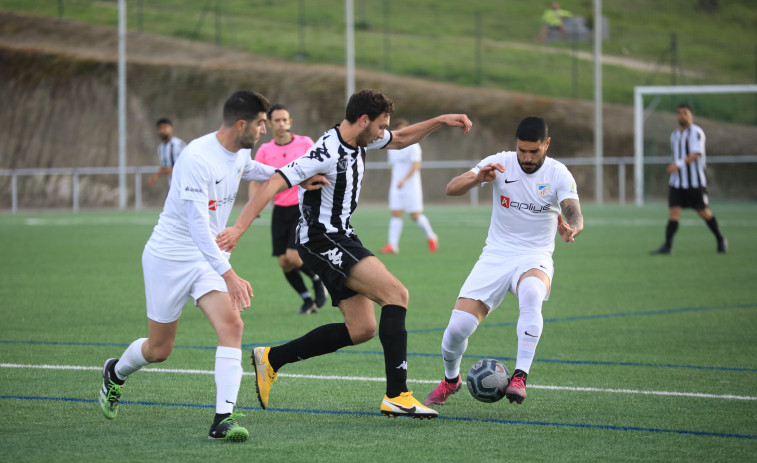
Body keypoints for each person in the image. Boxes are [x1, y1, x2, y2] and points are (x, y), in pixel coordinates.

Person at [216, 88, 472, 419]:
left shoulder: (360, 139)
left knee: (362, 328)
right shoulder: (326, 151)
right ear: (363, 120)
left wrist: (440, 120)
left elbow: (401, 139)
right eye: (380, 126)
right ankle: (398, 394)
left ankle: (271, 359)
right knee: (396, 294)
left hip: (341, 236)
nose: (383, 133)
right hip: (321, 239)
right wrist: (238, 228)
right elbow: (275, 182)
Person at [96, 90, 326, 442]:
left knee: (232, 324)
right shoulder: (196, 158)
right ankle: (115, 372)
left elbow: (255, 169)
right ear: (240, 124)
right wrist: (228, 274)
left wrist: (297, 177)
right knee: (159, 350)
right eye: (261, 124)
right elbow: (197, 227)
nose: (264, 130)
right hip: (169, 259)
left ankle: (223, 419)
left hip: (207, 261)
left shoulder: (238, 151)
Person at [423, 116, 583, 407]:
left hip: (534, 256)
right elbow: (451, 188)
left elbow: (573, 210)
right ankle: (451, 379)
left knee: (532, 294)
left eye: (534, 151)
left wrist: (573, 225)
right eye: (522, 150)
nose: (527, 158)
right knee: (457, 328)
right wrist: (476, 177)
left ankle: (520, 376)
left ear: (547, 145)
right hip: (496, 255)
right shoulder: (500, 162)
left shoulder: (558, 173)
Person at [248, 103, 328, 314]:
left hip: (302, 208)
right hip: (280, 210)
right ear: (270, 124)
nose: (282, 124)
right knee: (284, 262)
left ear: (290, 122)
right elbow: (255, 180)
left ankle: (318, 280)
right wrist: (253, 205)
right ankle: (306, 300)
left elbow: (320, 167)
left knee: (293, 257)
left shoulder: (305, 143)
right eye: (277, 120)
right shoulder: (265, 150)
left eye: (285, 120)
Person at [651, 103, 727, 255]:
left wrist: (677, 164)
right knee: (674, 212)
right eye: (679, 113)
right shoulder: (675, 135)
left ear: (691, 115)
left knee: (703, 212)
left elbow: (696, 153)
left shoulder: (696, 132)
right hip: (677, 182)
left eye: (685, 113)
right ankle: (668, 246)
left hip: (694, 182)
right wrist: (676, 167)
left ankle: (720, 239)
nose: (682, 116)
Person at [379, 118, 438, 255]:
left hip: (411, 185)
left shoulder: (413, 145)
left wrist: (404, 180)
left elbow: (416, 165)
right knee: (395, 213)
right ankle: (392, 246)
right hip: (396, 186)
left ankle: (431, 237)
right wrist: (396, 180)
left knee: (415, 215)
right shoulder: (391, 147)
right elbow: (393, 166)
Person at [148, 118, 187, 187]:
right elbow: (164, 167)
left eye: (165, 127)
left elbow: (186, 164)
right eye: (160, 128)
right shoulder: (161, 148)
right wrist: (155, 177)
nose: (163, 131)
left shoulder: (178, 144)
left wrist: (168, 170)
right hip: (173, 185)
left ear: (171, 129)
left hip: (185, 184)